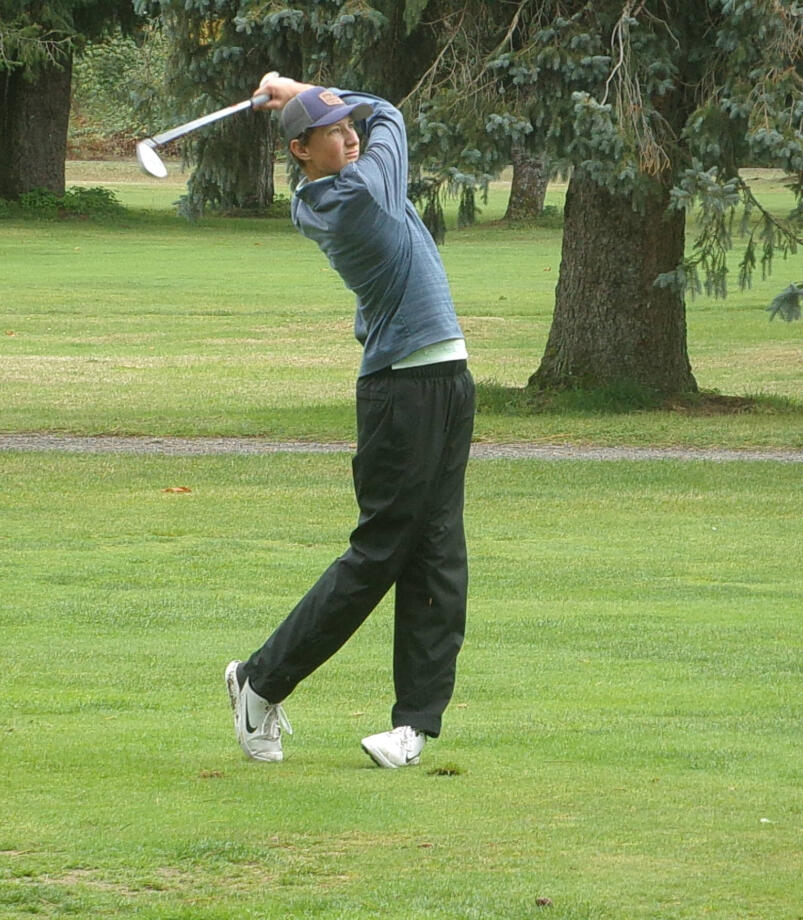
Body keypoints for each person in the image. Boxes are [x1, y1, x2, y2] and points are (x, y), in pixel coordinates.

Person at [225, 76, 475, 769]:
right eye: (334, 131)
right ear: (302, 150)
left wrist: (311, 97)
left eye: (347, 127)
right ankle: (259, 680)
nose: (351, 133)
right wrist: (310, 88)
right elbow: (389, 108)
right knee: (381, 553)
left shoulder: (340, 185)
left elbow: (368, 122)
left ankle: (413, 727)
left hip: (443, 376)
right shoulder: (359, 194)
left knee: (439, 552)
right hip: (405, 391)